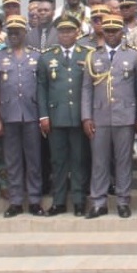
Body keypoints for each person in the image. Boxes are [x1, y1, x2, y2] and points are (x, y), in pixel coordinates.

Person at [82, 16, 137, 219]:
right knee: (99, 161)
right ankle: (98, 202)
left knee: (123, 160)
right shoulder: (93, 57)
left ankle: (123, 200)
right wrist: (86, 117)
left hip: (125, 115)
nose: (111, 34)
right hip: (99, 115)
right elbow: (86, 90)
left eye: (115, 31)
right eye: (107, 31)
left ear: (122, 32)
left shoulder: (134, 56)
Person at [0, 14, 45, 216]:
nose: (14, 35)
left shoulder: (37, 57)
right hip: (9, 116)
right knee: (12, 161)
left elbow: (42, 87)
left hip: (32, 115)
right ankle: (15, 201)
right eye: (10, 31)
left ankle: (34, 200)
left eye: (17, 31)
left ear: (25, 32)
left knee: (34, 160)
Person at [38, 15, 91, 216]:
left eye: (69, 30)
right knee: (58, 162)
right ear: (57, 33)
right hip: (56, 117)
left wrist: (88, 116)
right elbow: (41, 89)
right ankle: (59, 202)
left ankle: (78, 201)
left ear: (77, 32)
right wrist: (43, 116)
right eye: (62, 31)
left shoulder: (87, 54)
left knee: (78, 160)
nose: (66, 34)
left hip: (79, 117)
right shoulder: (46, 57)